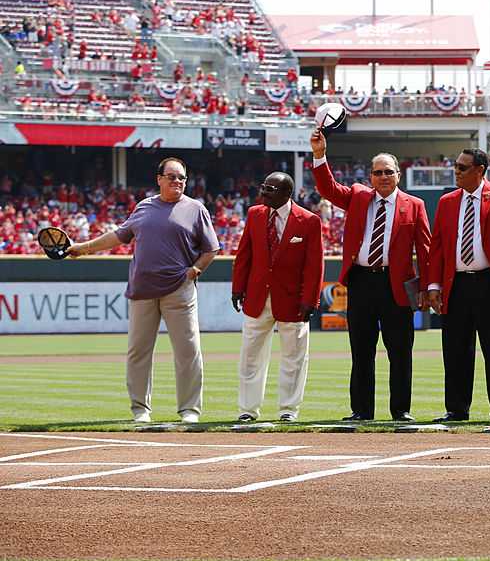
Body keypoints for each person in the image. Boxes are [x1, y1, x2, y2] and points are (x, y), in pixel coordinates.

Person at [67, 157, 219, 424]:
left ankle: (190, 410)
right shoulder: (144, 207)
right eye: (171, 176)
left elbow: (212, 248)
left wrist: (194, 271)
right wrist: (83, 247)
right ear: (159, 179)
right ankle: (140, 409)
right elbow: (119, 235)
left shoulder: (196, 209)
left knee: (188, 350)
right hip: (143, 289)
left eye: (182, 177)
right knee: (138, 351)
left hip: (179, 290)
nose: (177, 182)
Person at [311, 129, 431, 422]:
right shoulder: (357, 196)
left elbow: (425, 250)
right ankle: (361, 411)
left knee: (400, 351)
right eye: (377, 172)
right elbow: (327, 189)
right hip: (362, 280)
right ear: (370, 176)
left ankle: (401, 411)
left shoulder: (414, 205)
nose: (383, 177)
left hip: (397, 285)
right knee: (361, 351)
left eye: (388, 172)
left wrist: (428, 287)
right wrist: (319, 155)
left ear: (398, 175)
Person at [426, 141, 490, 422]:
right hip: (456, 284)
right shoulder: (448, 202)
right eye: (455, 166)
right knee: (456, 350)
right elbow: (437, 249)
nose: (456, 172)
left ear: (480, 171)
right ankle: (457, 409)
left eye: (462, 167)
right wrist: (434, 286)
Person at [231, 171, 324, 423]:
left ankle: (288, 410)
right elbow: (244, 255)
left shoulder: (309, 221)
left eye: (270, 189)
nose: (264, 193)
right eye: (264, 187)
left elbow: (314, 265)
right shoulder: (254, 214)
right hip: (257, 297)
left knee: (294, 357)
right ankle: (247, 410)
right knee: (250, 355)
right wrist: (237, 288)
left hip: (293, 300)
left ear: (287, 193)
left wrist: (310, 300)